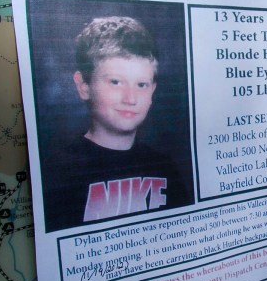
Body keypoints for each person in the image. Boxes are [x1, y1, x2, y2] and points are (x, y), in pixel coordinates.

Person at [42, 16, 191, 231]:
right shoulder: (59, 172)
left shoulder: (164, 167)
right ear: (84, 85)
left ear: (153, 91)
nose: (130, 98)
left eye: (141, 84)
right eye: (115, 82)